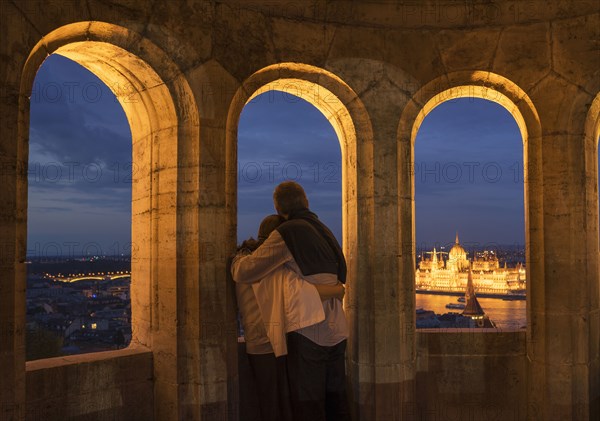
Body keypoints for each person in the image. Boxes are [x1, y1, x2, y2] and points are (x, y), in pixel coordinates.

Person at [231, 181, 351, 421]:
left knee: (308, 402)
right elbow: (340, 279)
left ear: (278, 210)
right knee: (336, 399)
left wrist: (237, 260)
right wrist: (336, 290)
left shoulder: (288, 233)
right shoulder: (324, 230)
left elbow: (244, 273)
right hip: (338, 329)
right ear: (305, 203)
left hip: (309, 329)